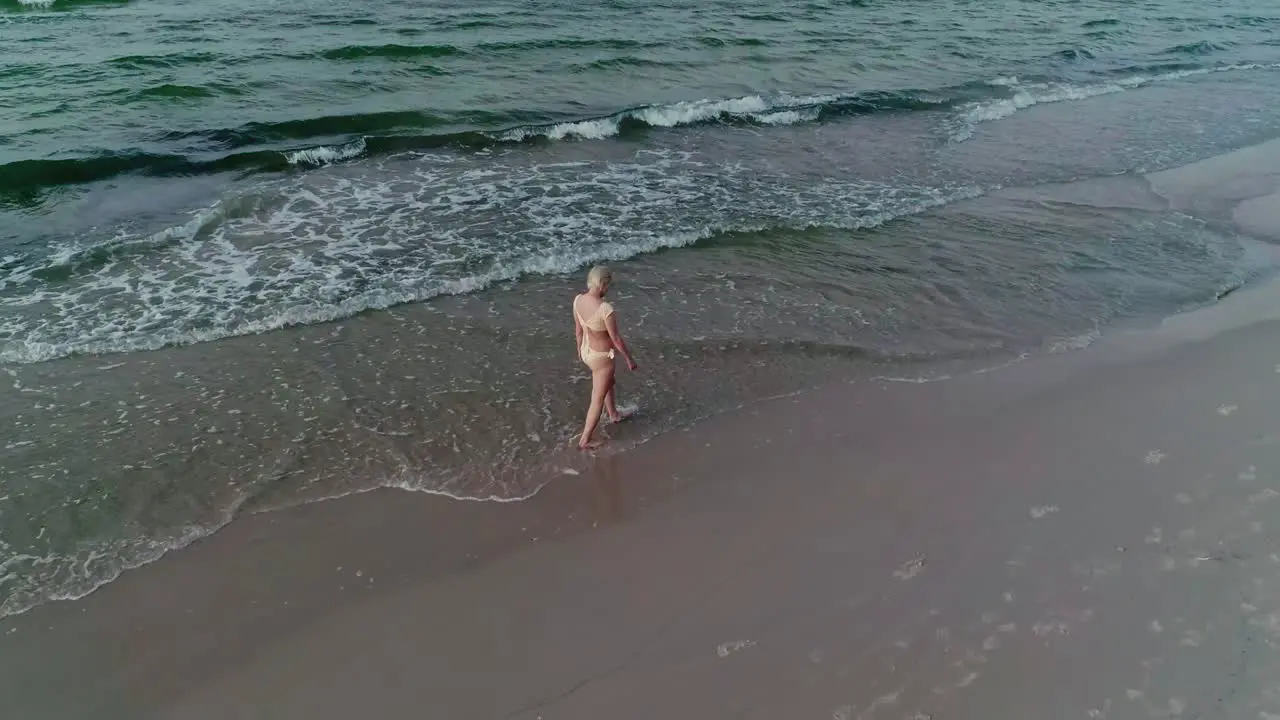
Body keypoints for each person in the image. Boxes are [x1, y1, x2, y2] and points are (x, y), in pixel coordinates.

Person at [572, 265, 638, 449]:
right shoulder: (605, 309)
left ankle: (614, 414)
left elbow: (578, 331)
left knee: (608, 381)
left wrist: (579, 350)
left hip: (586, 351)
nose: (608, 289)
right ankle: (585, 439)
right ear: (603, 284)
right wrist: (629, 359)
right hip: (601, 357)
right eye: (608, 285)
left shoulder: (578, 300)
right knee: (596, 399)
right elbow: (616, 340)